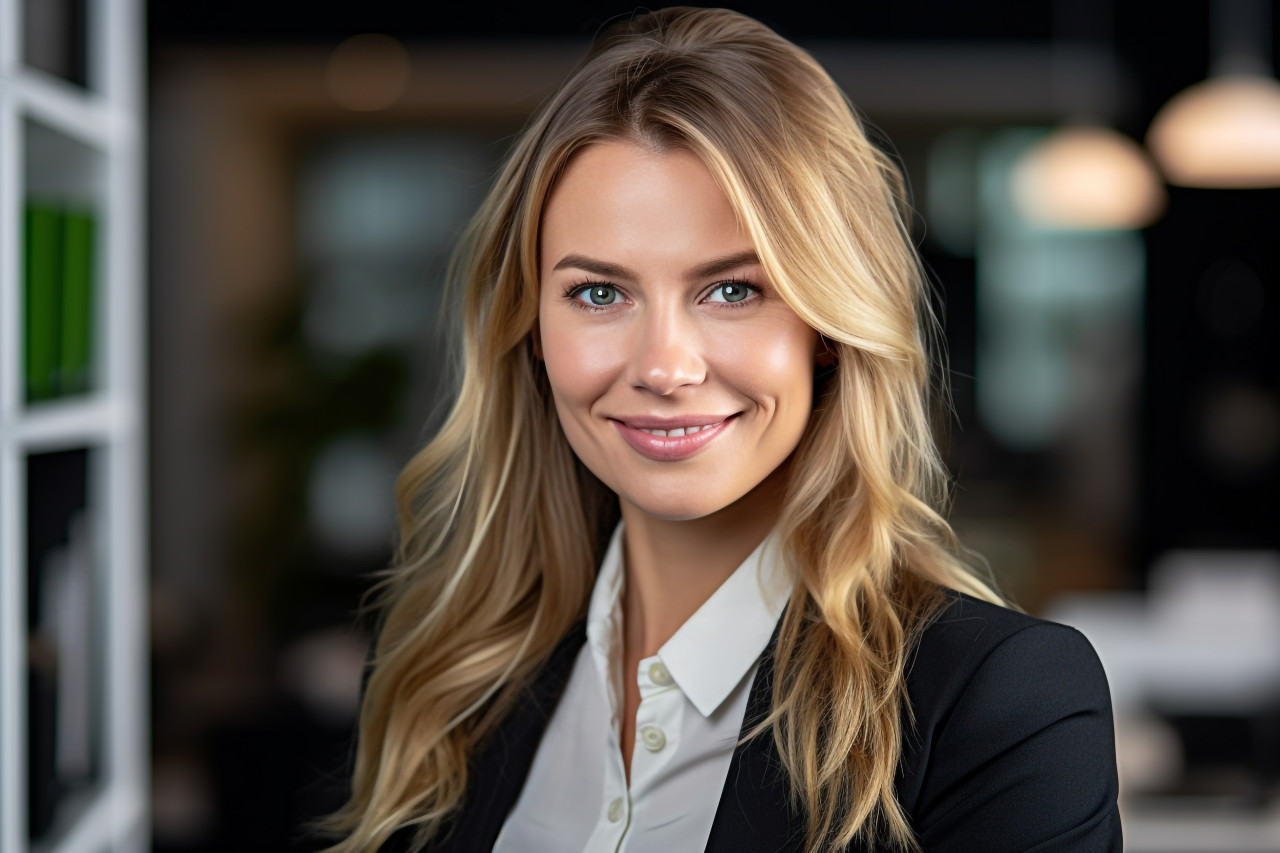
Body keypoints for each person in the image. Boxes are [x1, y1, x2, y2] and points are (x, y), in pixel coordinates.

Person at [320, 7, 1121, 852]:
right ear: (532, 331)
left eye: (733, 290)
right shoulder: (444, 681)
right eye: (599, 293)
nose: (664, 367)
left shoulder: (1000, 708)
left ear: (826, 326)